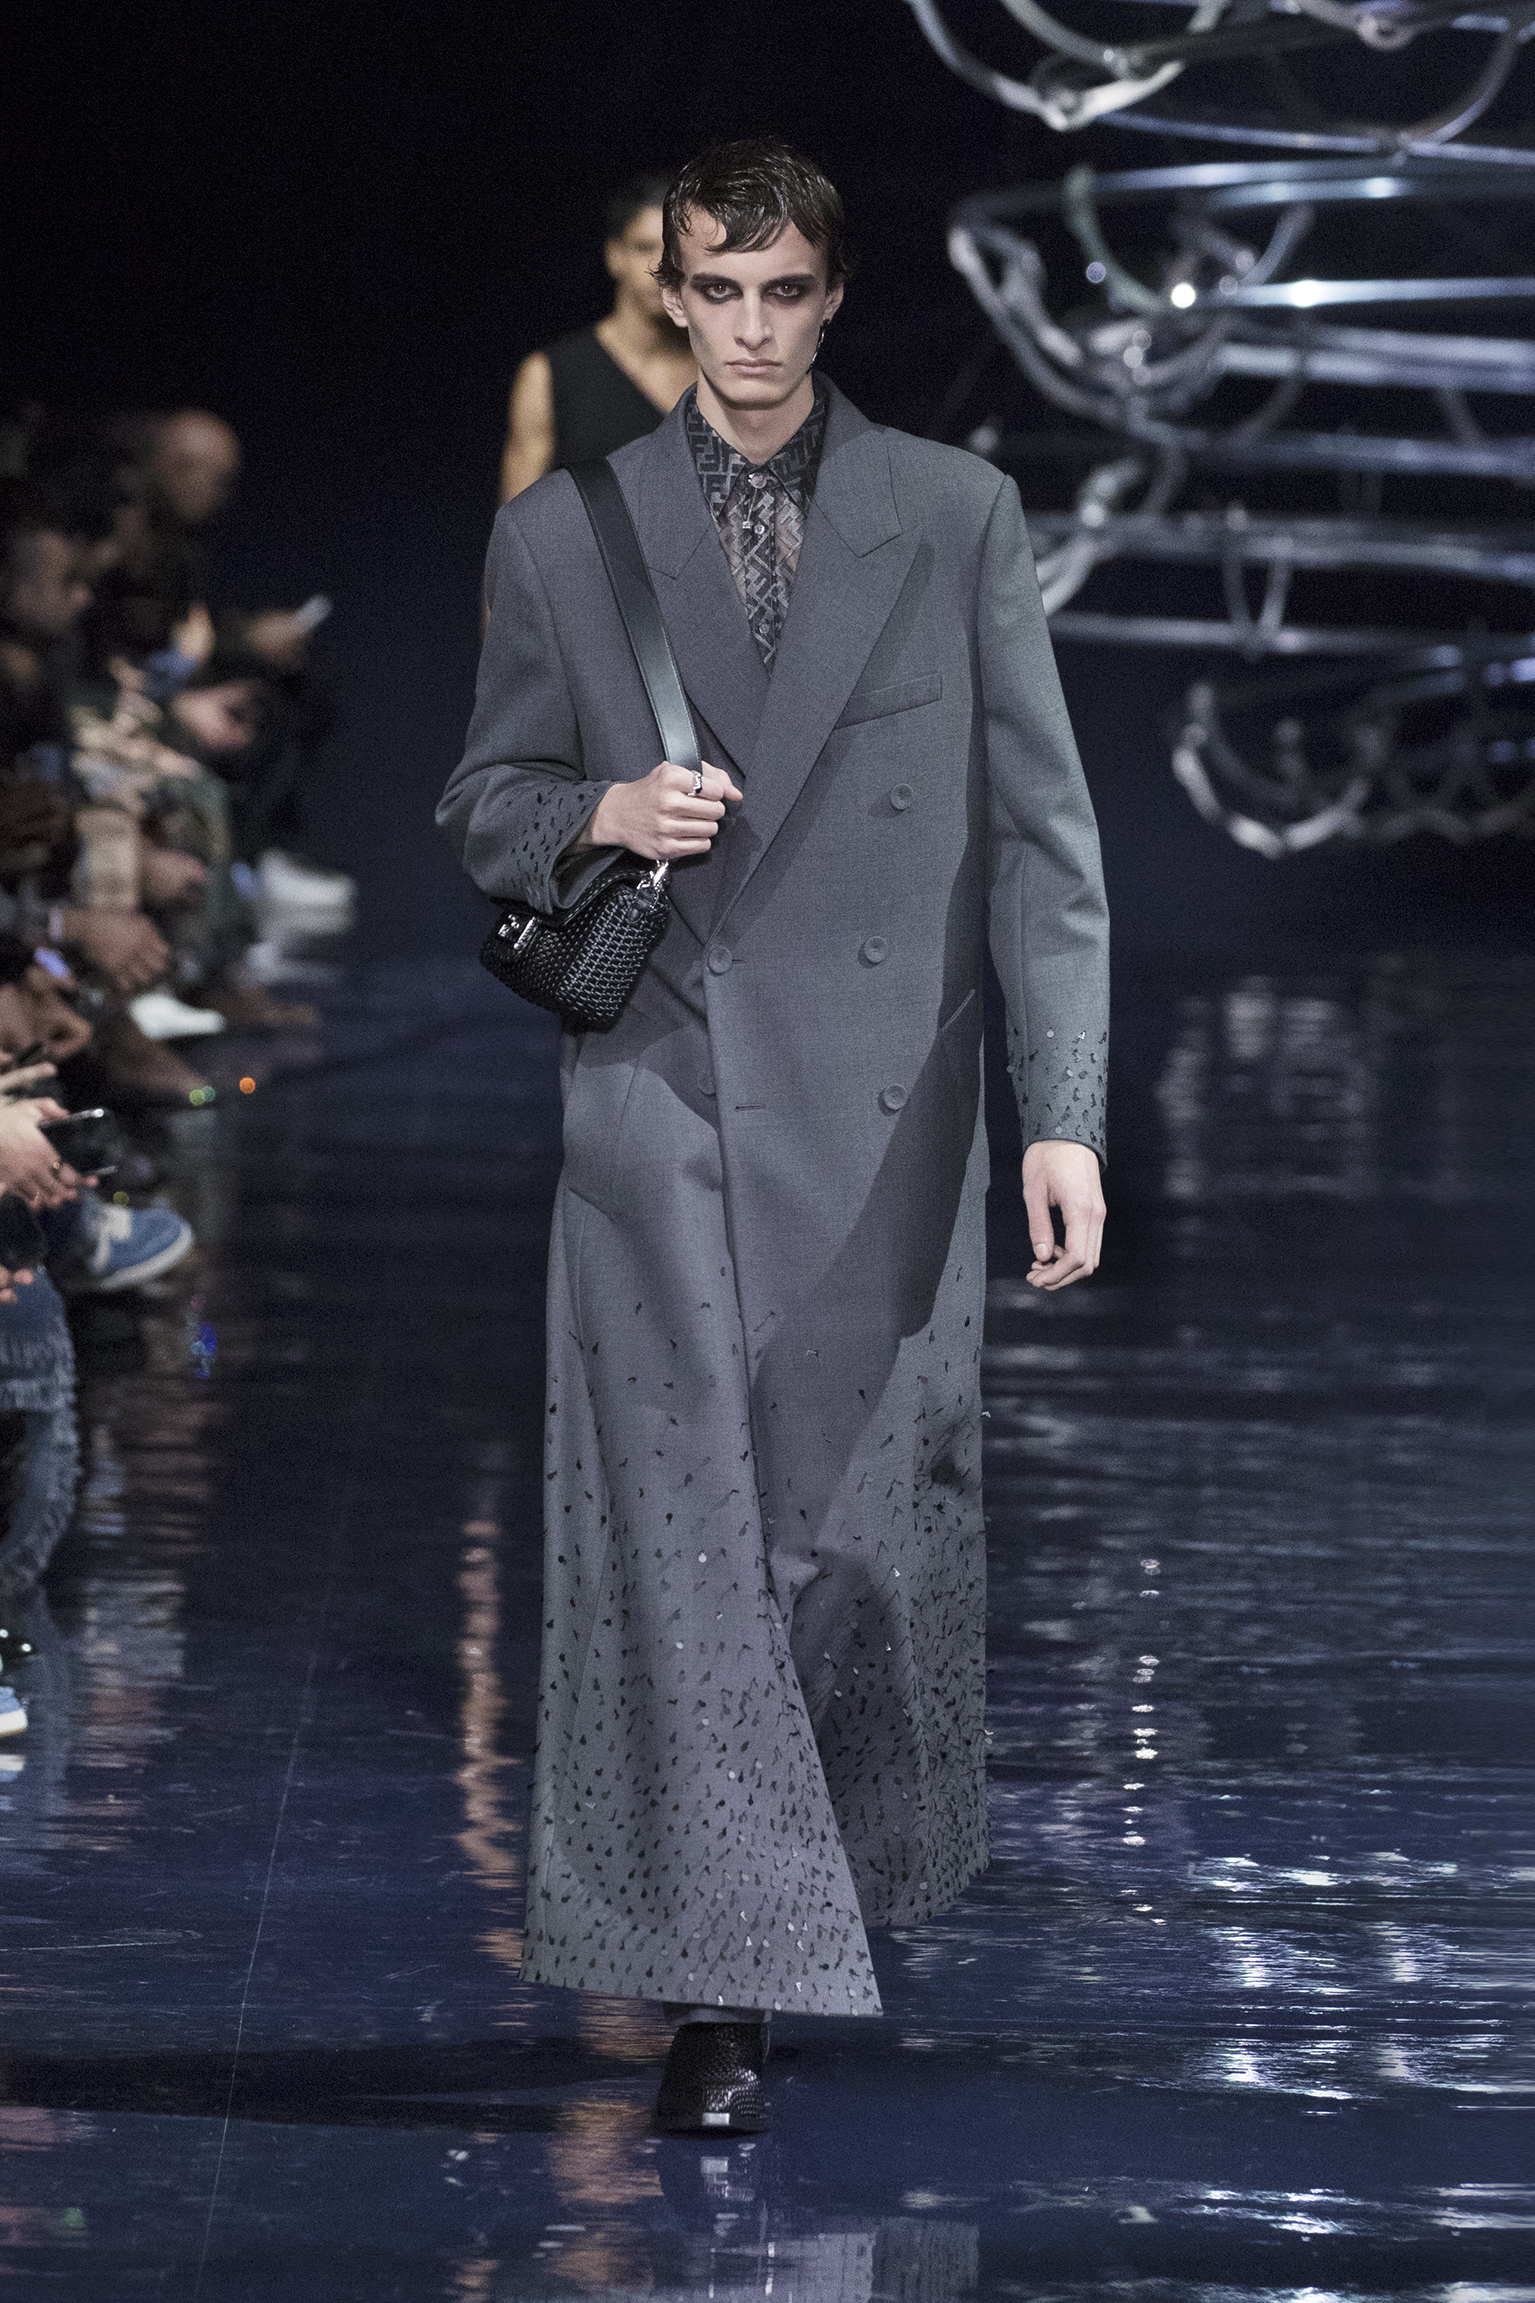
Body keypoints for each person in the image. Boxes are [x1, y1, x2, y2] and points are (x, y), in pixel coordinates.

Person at [440, 139, 1109, 2135]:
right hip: (659, 1089)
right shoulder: (569, 530)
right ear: (668, 290)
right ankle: (724, 1992)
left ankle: (798, 1904)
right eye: (714, 292)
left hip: (889, 1115)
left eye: (782, 293)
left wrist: (1063, 1115)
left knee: (839, 1543)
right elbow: (478, 800)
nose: (746, 331)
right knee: (685, 1541)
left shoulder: (954, 511)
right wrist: (596, 809)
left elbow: (1043, 839)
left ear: (831, 297)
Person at [498, 174, 697, 501]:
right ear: (615, 255)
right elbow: (518, 519)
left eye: (676, 251)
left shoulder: (721, 367)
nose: (662, 267)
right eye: (644, 247)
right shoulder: (551, 375)